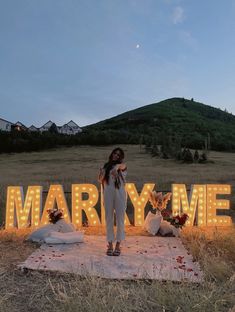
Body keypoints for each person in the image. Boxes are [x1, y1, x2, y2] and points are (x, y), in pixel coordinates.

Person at [98, 147, 127, 256]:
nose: (116, 156)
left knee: (120, 219)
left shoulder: (122, 166)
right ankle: (110, 244)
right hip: (108, 194)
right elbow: (101, 180)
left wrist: (117, 167)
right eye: (115, 153)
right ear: (112, 154)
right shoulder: (106, 166)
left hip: (119, 194)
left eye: (118, 155)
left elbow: (122, 166)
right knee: (108, 218)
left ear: (121, 157)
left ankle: (118, 245)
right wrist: (101, 173)